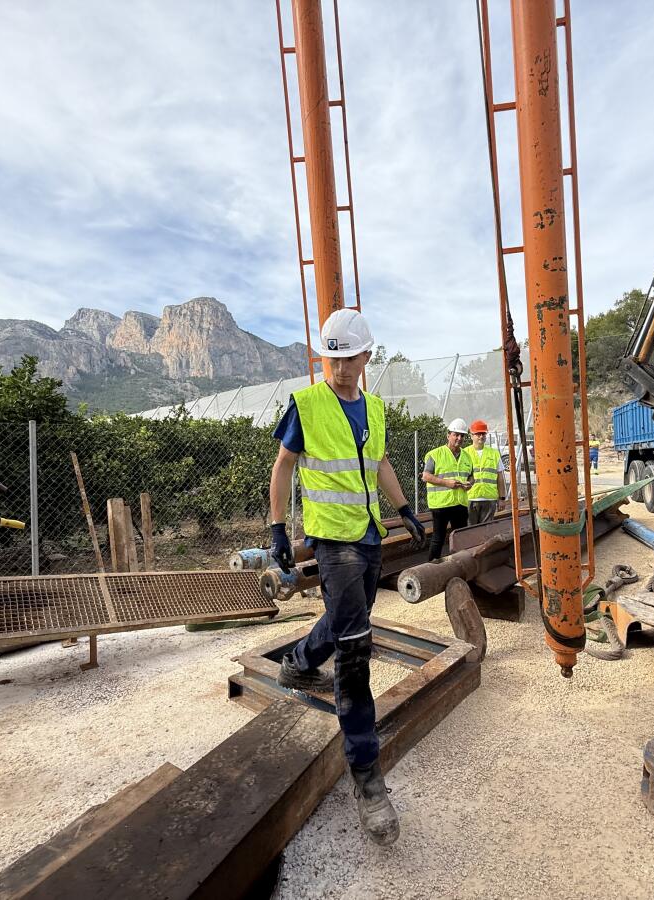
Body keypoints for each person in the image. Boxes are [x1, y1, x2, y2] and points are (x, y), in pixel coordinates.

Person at [267, 308, 426, 847]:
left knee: (345, 622)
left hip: (368, 534)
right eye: (330, 357)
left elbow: (377, 462)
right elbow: (284, 466)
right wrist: (277, 529)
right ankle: (367, 777)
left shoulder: (376, 409)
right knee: (356, 651)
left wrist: (403, 508)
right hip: (331, 540)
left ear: (365, 357)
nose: (338, 366)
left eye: (347, 357)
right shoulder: (307, 405)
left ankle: (297, 662)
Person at [421, 418, 474, 560]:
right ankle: (431, 569)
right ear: (448, 435)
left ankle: (459, 565)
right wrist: (446, 483)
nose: (459, 438)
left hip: (460, 504)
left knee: (460, 538)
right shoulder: (435, 454)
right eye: (456, 434)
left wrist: (469, 483)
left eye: (462, 435)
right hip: (441, 505)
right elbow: (426, 476)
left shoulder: (467, 457)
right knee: (438, 539)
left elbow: (471, 477)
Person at [466, 420, 506, 525]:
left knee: (486, 532)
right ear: (471, 436)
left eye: (483, 433)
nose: (481, 436)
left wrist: (502, 498)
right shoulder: (464, 453)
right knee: (469, 531)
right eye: (478, 434)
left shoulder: (494, 453)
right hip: (470, 498)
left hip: (489, 498)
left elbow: (500, 477)